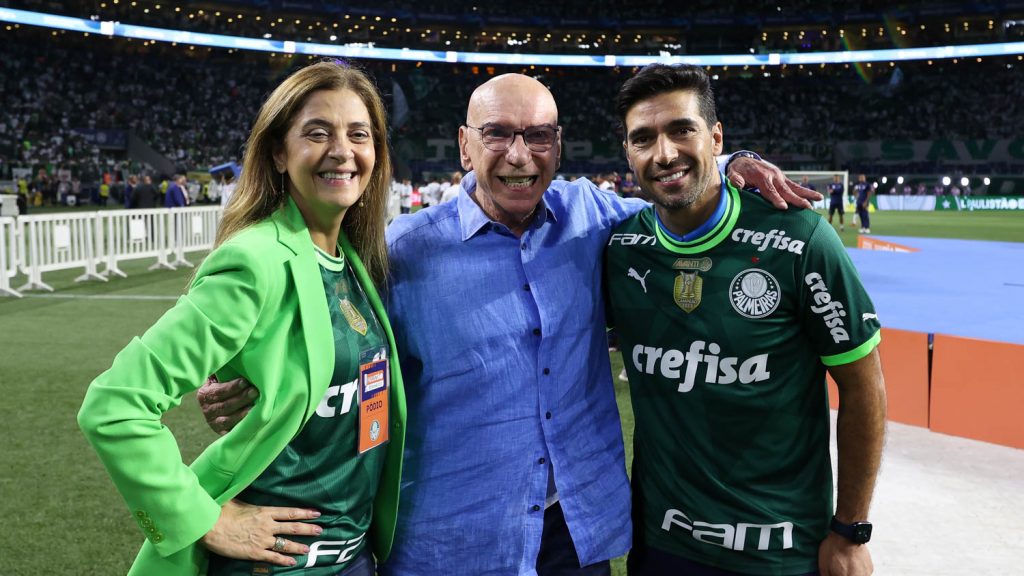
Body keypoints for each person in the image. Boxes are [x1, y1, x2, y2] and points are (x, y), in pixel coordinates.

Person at [198, 73, 822, 576]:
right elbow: (332, 355)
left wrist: (731, 159)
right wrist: (257, 382)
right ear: (465, 145)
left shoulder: (599, 220)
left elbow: (679, 192)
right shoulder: (398, 254)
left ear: (559, 144)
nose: (520, 155)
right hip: (452, 540)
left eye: (539, 136)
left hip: (578, 538)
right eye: (498, 135)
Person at [77, 61, 406, 576]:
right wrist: (205, 520)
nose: (342, 150)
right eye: (317, 133)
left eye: (358, 135)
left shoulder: (354, 260)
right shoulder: (253, 263)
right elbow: (116, 402)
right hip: (276, 567)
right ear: (278, 152)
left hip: (355, 560)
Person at [606, 63, 886, 576]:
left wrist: (850, 531)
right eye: (643, 138)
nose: (664, 153)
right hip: (661, 546)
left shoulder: (800, 240)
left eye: (681, 130)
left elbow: (865, 387)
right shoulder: (620, 248)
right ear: (628, 153)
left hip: (778, 550)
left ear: (716, 137)